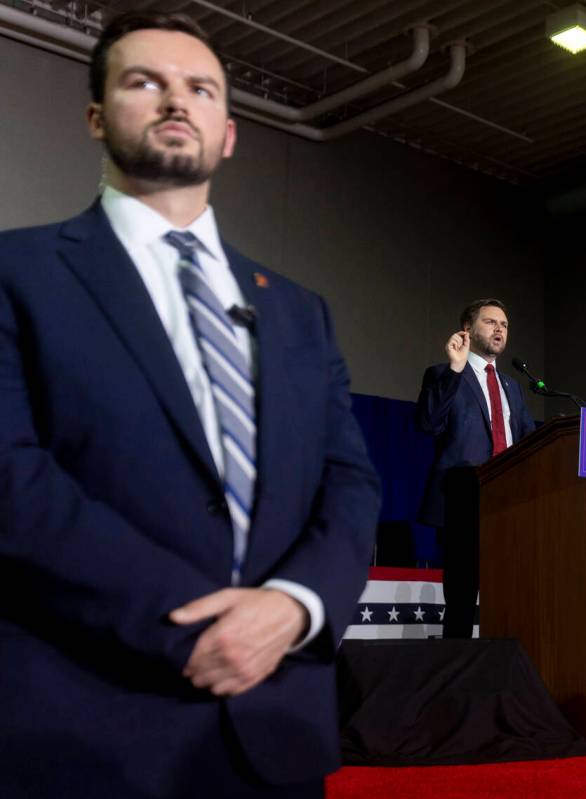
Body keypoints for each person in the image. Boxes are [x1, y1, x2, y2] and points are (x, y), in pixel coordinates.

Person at [0, 11, 380, 799]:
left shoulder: (300, 311)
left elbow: (350, 485)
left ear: (229, 132)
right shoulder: (16, 273)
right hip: (82, 723)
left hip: (276, 730)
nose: (177, 102)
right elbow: (11, 478)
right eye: (146, 82)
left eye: (200, 89)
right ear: (97, 116)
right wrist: (197, 623)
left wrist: (294, 605)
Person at [416, 299, 535, 638]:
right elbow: (428, 423)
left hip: (511, 502)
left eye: (505, 324)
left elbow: (529, 441)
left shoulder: (512, 387)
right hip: (463, 500)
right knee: (463, 599)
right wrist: (455, 369)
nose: (500, 329)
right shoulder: (443, 374)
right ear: (467, 329)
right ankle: (458, 680)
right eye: (491, 322)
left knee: (513, 596)